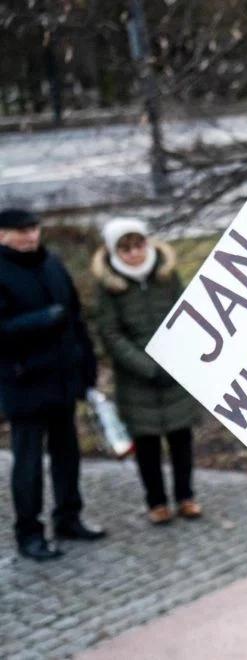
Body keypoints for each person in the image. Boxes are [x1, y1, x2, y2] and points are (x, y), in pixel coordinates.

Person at [0, 208, 105, 561]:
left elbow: (75, 319)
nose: (30, 236)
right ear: (2, 235)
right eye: (21, 231)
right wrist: (40, 320)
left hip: (63, 378)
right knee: (28, 462)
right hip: (24, 381)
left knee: (67, 453)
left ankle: (68, 517)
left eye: (33, 228)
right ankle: (29, 533)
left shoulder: (52, 264)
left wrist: (87, 368)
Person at [92, 218, 201, 525]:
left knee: (182, 440)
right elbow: (111, 334)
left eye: (138, 245)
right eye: (125, 249)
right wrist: (147, 368)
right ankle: (156, 502)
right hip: (137, 377)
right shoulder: (110, 287)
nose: (134, 253)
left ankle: (186, 496)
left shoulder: (166, 276)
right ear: (116, 251)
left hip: (174, 369)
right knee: (148, 446)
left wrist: (178, 357)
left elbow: (185, 313)